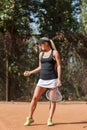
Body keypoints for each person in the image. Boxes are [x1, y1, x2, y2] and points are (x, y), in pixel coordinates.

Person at [23, 37, 62, 126]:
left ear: (46, 43)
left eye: (41, 44)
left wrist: (59, 79)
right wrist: (30, 72)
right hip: (42, 79)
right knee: (35, 98)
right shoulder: (41, 54)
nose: (40, 46)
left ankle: (49, 119)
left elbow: (59, 66)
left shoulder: (54, 53)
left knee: (52, 100)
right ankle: (30, 118)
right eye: (39, 45)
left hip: (52, 79)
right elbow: (40, 67)